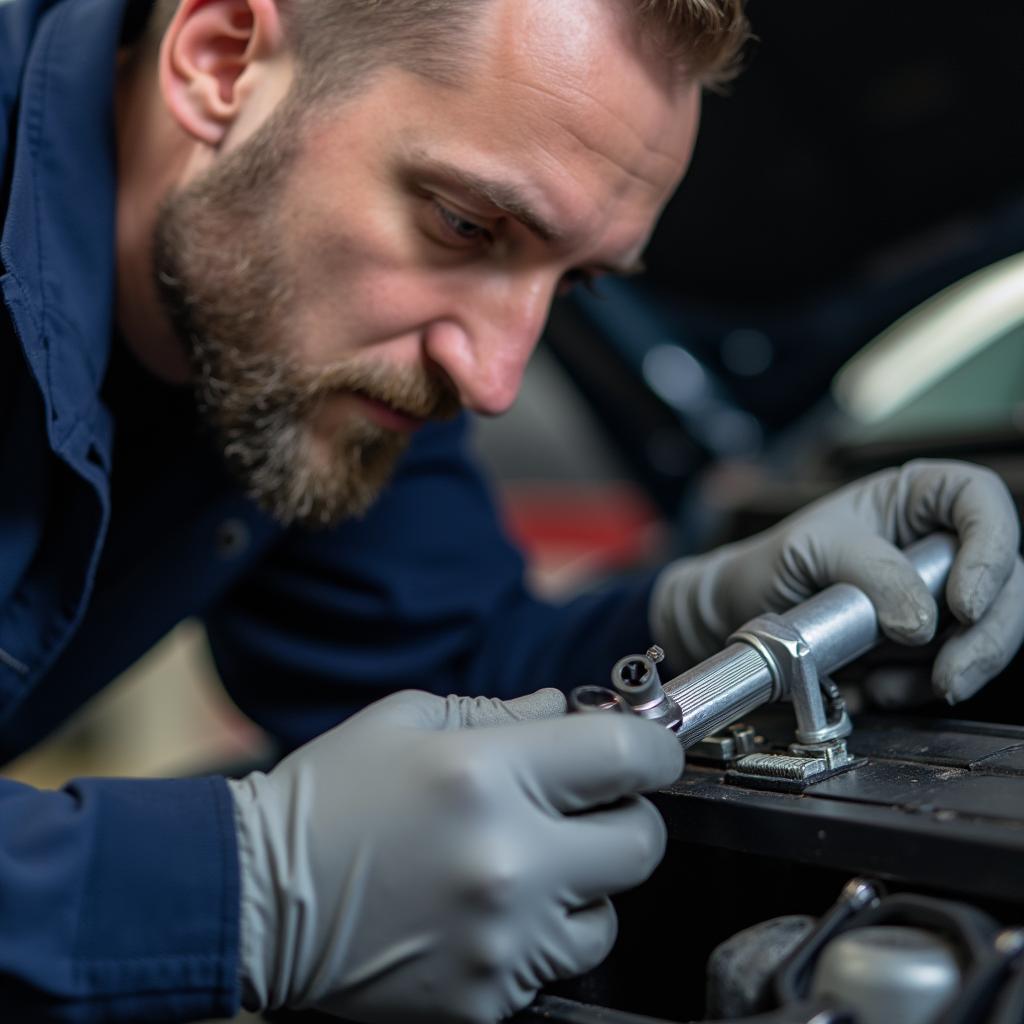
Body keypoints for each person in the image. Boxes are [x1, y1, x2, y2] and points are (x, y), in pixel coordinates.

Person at [1, 0, 1022, 1020]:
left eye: (569, 281)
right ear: (220, 62)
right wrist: (234, 894)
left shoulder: (340, 349)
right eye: (465, 224)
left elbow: (430, 667)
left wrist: (694, 622)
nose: (491, 377)